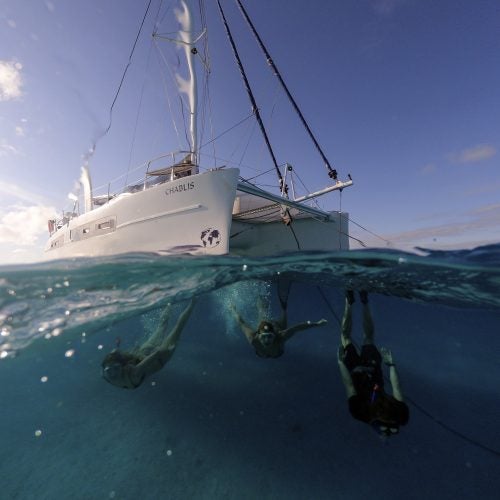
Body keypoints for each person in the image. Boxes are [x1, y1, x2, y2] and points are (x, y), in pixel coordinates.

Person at [337, 290, 409, 436]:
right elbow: (349, 385)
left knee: (364, 338)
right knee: (348, 338)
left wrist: (391, 365)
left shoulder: (399, 416)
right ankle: (351, 302)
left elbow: (396, 387)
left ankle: (361, 302)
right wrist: (340, 363)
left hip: (370, 371)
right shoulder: (362, 414)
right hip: (360, 372)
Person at [101, 299, 195, 389]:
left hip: (148, 354)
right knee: (174, 326)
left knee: (171, 326)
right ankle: (191, 302)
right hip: (157, 359)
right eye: (111, 372)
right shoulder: (134, 375)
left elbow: (114, 355)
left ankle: (171, 302)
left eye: (114, 369)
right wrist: (168, 350)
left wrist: (115, 352)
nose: (114, 374)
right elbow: (157, 354)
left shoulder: (107, 376)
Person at [230, 281, 327, 358]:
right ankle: (264, 293)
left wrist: (317, 324)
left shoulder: (273, 337)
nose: (267, 340)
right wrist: (316, 324)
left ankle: (264, 293)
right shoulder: (277, 338)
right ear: (258, 335)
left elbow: (241, 322)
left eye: (268, 336)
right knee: (271, 313)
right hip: (278, 332)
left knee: (271, 313)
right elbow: (241, 322)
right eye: (264, 336)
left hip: (277, 328)